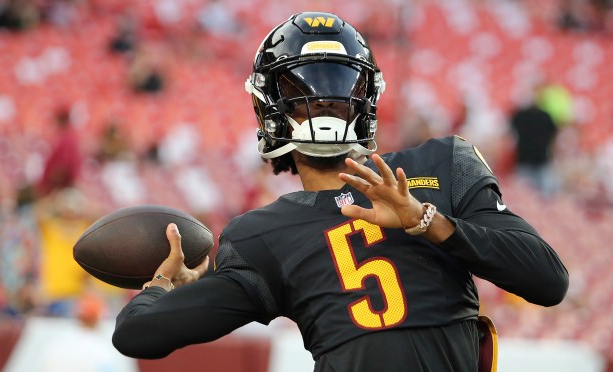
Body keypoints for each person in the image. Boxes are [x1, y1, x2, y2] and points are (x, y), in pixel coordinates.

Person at [112, 12, 569, 371]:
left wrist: (429, 222)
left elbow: (548, 281)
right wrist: (174, 287)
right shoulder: (259, 239)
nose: (323, 101)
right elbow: (137, 337)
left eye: (337, 86)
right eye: (304, 87)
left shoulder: (442, 165)